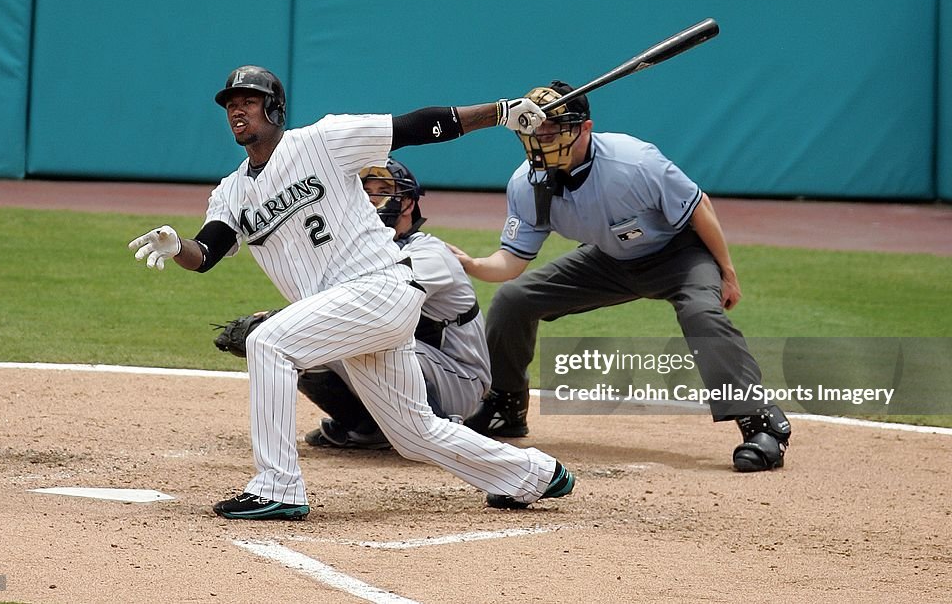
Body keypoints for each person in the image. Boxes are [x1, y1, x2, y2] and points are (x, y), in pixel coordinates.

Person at [128, 65, 575, 519]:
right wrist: (176, 245)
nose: (237, 109)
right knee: (412, 431)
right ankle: (532, 475)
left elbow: (417, 126)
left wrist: (501, 112)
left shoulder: (322, 141)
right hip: (352, 313)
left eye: (248, 100)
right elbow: (205, 253)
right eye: (231, 104)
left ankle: (277, 487)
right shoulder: (231, 193)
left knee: (268, 342)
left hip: (379, 287)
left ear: (275, 107)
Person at [452, 81, 792, 472]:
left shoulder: (634, 162)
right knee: (514, 299)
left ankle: (761, 422)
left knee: (701, 314)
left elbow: (700, 206)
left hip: (679, 255)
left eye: (554, 129)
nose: (542, 139)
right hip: (609, 262)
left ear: (585, 128)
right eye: (536, 130)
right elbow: (512, 261)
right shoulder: (527, 183)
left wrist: (727, 273)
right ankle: (506, 406)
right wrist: (473, 264)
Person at [297, 158, 491, 450]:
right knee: (302, 340)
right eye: (366, 191)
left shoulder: (429, 254)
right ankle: (365, 428)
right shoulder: (356, 255)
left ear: (408, 203)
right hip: (417, 361)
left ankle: (438, 427)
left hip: (459, 378)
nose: (372, 199)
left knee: (359, 336)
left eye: (383, 190)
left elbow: (374, 302)